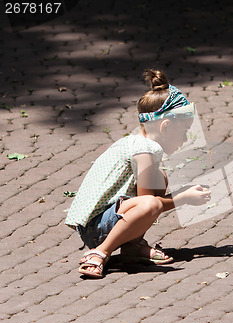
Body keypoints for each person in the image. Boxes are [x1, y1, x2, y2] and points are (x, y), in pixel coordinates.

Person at [65, 69, 211, 278]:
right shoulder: (146, 151)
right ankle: (100, 252)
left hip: (99, 220)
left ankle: (132, 247)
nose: (186, 139)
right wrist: (182, 197)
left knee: (160, 179)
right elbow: (148, 203)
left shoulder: (137, 143)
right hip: (95, 227)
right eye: (184, 132)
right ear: (166, 126)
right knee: (151, 203)